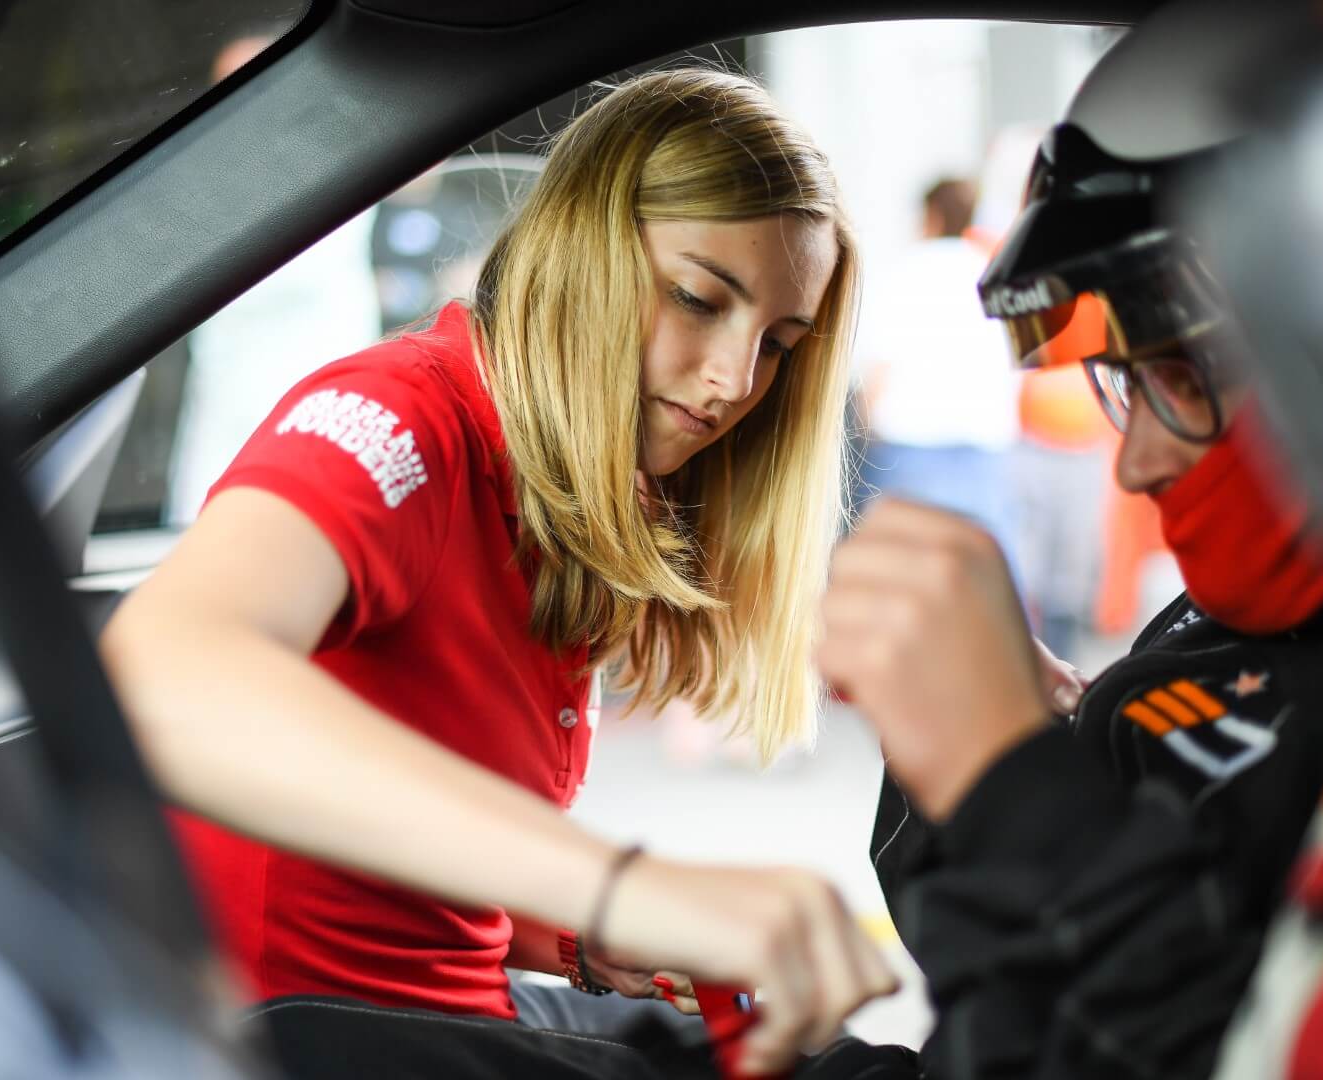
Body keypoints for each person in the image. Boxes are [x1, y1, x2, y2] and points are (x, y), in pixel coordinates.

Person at [100, 67, 896, 1077]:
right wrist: (621, 885)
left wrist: (578, 935)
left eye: (779, 345)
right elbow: (160, 678)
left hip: (455, 1014)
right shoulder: (403, 420)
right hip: (309, 1040)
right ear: (581, 251)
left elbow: (387, 869)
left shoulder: (579, 485)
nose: (736, 382)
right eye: (699, 298)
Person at [808, 6, 1323, 1077]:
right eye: (1129, 382)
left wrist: (1010, 788)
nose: (1137, 462)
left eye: (1181, 374)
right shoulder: (1283, 635)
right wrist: (981, 757)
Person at [851, 176, 1022, 576]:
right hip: (983, 451)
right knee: (978, 581)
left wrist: (862, 431)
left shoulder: (905, 269)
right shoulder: (992, 273)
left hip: (910, 451)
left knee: (893, 576)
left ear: (931, 215)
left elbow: (879, 366)